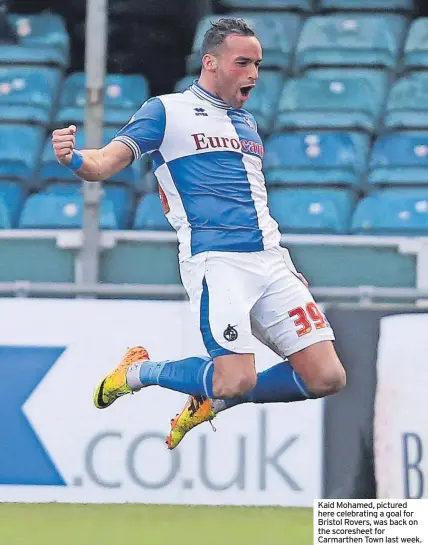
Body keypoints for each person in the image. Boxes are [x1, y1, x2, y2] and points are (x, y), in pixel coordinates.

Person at [52, 18, 346, 450]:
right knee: (235, 377)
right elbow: (105, 163)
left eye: (258, 64)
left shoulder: (246, 123)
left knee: (326, 376)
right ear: (210, 63)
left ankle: (215, 403)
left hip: (270, 260)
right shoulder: (166, 110)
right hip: (218, 261)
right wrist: (74, 158)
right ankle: (137, 372)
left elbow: (256, 202)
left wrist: (285, 264)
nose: (254, 74)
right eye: (242, 62)